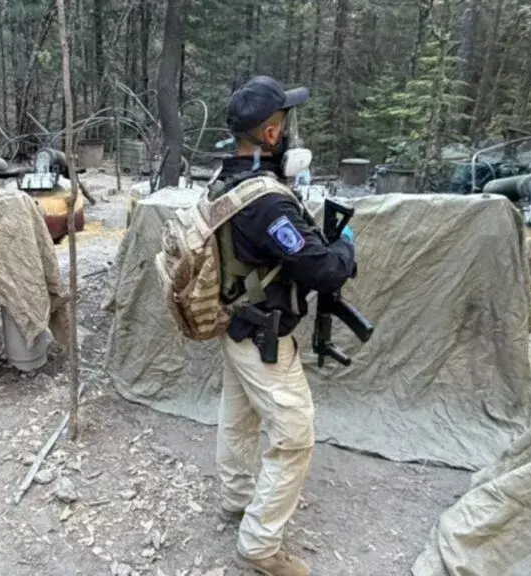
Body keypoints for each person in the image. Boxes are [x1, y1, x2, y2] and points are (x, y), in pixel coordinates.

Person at [212, 75, 357, 576]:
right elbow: (322, 270)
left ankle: (235, 501)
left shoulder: (226, 180)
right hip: (263, 336)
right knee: (294, 437)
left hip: (234, 324)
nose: (290, 130)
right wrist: (346, 245)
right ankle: (257, 546)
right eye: (286, 122)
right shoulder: (268, 202)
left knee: (238, 420)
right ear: (272, 135)